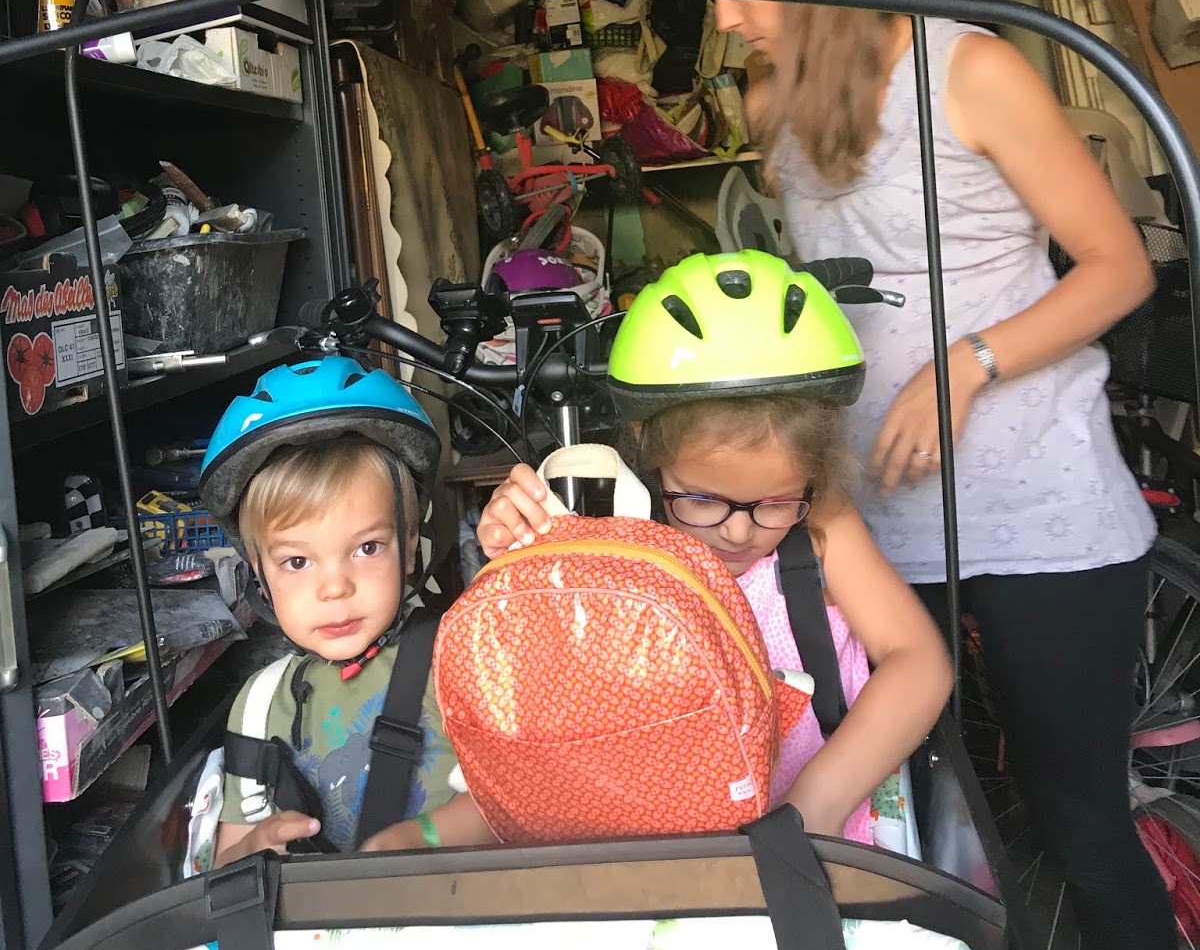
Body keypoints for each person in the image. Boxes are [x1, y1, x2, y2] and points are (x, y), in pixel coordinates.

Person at [685, 0, 1173, 950]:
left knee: (1077, 820)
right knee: (920, 814)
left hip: (1042, 506)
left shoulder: (971, 67)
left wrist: (968, 363)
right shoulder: (770, 101)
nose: (723, 18)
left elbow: (1118, 267)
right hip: (881, 514)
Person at [477, 250, 954, 846]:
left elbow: (919, 662)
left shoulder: (822, 521)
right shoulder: (613, 532)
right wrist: (520, 553)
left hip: (821, 835)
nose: (738, 532)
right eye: (702, 499)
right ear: (645, 447)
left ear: (815, 472)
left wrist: (813, 805)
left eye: (775, 502)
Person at [198, 357, 494, 864]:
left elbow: (514, 805)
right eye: (296, 561)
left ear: (408, 545)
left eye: (366, 548)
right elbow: (227, 859)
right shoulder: (260, 704)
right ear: (259, 571)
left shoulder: (462, 661)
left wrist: (420, 837)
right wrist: (254, 848)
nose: (335, 588)